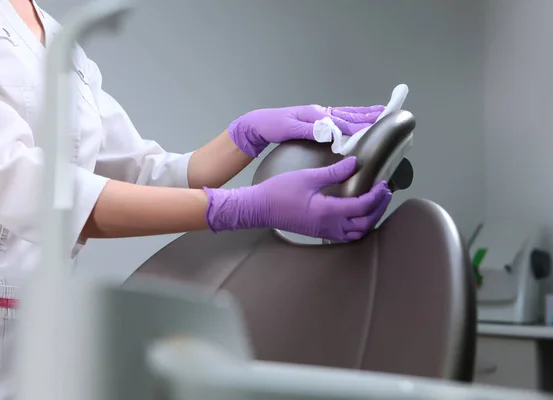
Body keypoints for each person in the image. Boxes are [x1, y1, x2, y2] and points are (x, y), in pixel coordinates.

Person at [0, 0, 392, 285]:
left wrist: (245, 135)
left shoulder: (58, 38)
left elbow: (141, 178)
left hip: (36, 321)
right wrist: (243, 207)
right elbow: (26, 187)